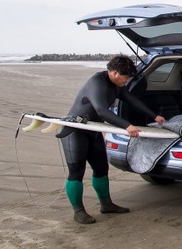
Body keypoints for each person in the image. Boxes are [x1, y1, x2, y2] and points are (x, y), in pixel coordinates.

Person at [59, 54, 166, 224]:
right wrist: (127, 126)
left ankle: (106, 204)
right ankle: (78, 211)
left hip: (94, 129)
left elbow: (133, 101)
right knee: (77, 172)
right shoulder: (97, 82)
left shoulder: (116, 84)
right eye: (125, 77)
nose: (127, 80)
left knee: (101, 168)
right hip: (75, 130)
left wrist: (155, 116)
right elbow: (102, 110)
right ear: (115, 73)